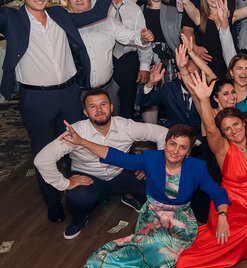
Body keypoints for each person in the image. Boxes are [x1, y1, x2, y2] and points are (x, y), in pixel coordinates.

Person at [0, 0, 114, 223]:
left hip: (69, 93)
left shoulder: (59, 14)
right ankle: (53, 201)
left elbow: (96, 13)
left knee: (78, 144)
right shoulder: (12, 18)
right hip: (35, 97)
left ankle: (83, 191)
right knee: (43, 151)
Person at [59, 123, 230, 268]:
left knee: (164, 255)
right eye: (172, 144)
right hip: (153, 218)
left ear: (188, 151)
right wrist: (81, 141)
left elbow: (218, 193)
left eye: (182, 147)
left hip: (180, 223)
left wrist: (222, 216)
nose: (175, 150)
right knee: (152, 250)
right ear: (165, 143)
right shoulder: (151, 159)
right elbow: (117, 157)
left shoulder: (197, 168)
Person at [174, 71, 247, 268]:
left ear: (244, 122)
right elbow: (211, 130)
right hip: (231, 206)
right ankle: (188, 258)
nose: (233, 131)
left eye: (235, 124)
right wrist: (202, 98)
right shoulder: (223, 149)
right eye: (227, 129)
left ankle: (236, 240)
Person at [34, 88, 168, 239]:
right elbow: (42, 159)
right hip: (88, 177)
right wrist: (64, 184)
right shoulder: (76, 131)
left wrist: (153, 165)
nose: (99, 110)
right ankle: (79, 219)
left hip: (121, 173)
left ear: (111, 107)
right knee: (78, 198)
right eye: (92, 106)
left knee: (158, 184)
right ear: (85, 112)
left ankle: (131, 196)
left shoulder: (127, 126)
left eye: (103, 104)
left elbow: (164, 134)